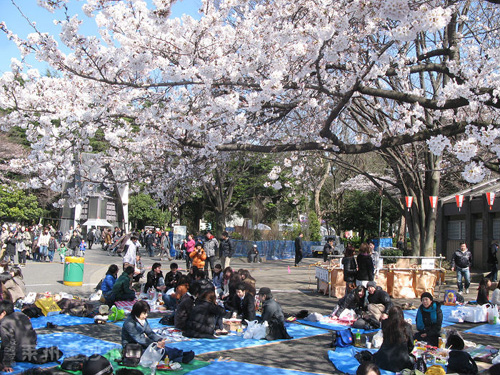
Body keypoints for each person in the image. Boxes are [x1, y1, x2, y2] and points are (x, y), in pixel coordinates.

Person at [122, 300, 195, 364]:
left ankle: (180, 354)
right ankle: (180, 357)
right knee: (155, 352)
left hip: (142, 343)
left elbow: (149, 332)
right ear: (137, 312)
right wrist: (154, 344)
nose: (146, 315)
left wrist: (159, 339)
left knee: (162, 349)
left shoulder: (142, 319)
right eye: (144, 313)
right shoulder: (129, 323)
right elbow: (139, 338)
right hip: (132, 347)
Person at [373, 306, 414, 373]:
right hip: (401, 361)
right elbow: (411, 345)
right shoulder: (406, 326)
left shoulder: (385, 323)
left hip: (384, 359)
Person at [0, 300, 37, 372]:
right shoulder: (21, 315)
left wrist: (6, 364)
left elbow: (10, 344)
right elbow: (32, 334)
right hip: (30, 351)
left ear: (4, 313)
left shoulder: (4, 324)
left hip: (18, 355)